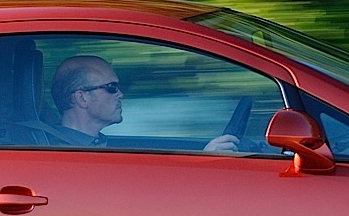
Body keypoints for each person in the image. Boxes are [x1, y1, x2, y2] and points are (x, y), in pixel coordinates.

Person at [47, 55, 239, 152]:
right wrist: (202, 166)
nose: (120, 94)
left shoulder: (94, 145)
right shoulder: (62, 154)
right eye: (111, 87)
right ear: (82, 98)